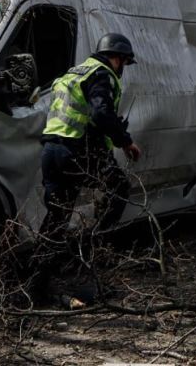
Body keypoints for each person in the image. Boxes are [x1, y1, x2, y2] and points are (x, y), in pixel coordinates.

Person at [39, 33, 142, 244]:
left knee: (58, 214)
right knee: (118, 187)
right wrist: (125, 141)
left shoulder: (72, 74)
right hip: (78, 150)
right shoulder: (101, 74)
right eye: (125, 62)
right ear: (118, 58)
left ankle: (37, 272)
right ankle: (99, 247)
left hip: (51, 151)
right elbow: (101, 113)